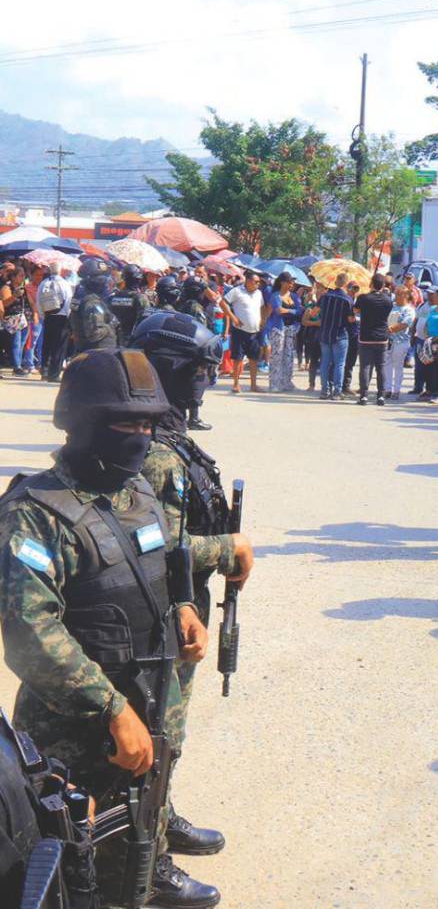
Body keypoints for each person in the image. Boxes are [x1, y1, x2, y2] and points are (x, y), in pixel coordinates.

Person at [0, 349, 220, 907]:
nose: (140, 437)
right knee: (75, 861)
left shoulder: (135, 490)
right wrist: (110, 709)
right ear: (85, 423)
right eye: (127, 423)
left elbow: (166, 556)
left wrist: (185, 607)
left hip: (150, 689)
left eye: (149, 424)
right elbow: (31, 632)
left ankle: (148, 877)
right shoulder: (34, 513)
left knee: (138, 835)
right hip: (74, 725)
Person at [129, 312, 256, 864]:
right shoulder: (151, 449)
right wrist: (231, 549)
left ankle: (160, 815)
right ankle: (146, 858)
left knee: (169, 730)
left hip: (185, 601)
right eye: (198, 369)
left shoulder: (169, 434)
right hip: (157, 612)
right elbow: (151, 547)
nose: (206, 378)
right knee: (154, 731)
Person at [219, 271, 265, 394]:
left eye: (259, 282)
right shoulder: (237, 291)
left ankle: (253, 385)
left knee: (254, 358)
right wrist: (233, 317)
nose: (258, 284)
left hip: (254, 331)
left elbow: (261, 307)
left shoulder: (258, 293)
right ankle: (236, 384)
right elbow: (222, 302)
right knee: (238, 358)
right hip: (240, 330)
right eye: (256, 282)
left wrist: (262, 320)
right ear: (248, 281)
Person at [354, 273, 393, 406]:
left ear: (371, 283)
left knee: (365, 366)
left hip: (366, 337)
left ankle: (364, 396)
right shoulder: (388, 300)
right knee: (380, 367)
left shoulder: (363, 298)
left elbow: (355, 310)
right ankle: (380, 396)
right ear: (383, 285)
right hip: (382, 337)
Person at [69, 256, 119, 353]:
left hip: (86, 352)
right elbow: (94, 334)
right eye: (102, 280)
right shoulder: (92, 302)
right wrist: (110, 324)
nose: (105, 283)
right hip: (99, 356)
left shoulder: (81, 297)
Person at [318, 273, 354, 400]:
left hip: (324, 333)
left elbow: (315, 312)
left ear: (336, 281)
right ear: (346, 283)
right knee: (339, 364)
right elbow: (350, 320)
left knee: (325, 363)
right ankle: (337, 392)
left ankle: (324, 391)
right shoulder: (347, 299)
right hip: (340, 334)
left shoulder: (324, 297)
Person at [266, 272, 301, 394]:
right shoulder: (275, 295)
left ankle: (287, 381)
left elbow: (300, 310)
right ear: (283, 283)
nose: (292, 284)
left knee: (289, 356)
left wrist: (290, 311)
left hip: (291, 328)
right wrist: (293, 311)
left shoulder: (294, 296)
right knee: (277, 356)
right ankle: (274, 383)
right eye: (290, 282)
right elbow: (279, 310)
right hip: (278, 329)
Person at [36, 265, 73, 381]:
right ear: (60, 270)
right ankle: (54, 374)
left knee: (47, 345)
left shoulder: (43, 283)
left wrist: (43, 315)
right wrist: (67, 317)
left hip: (48, 316)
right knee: (59, 346)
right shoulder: (64, 283)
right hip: (61, 317)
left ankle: (45, 371)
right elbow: (68, 301)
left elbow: (39, 300)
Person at [1, 265, 35, 375]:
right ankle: (17, 367)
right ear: (13, 277)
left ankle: (18, 364)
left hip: (25, 319)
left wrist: (35, 315)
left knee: (22, 343)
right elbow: (4, 303)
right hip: (13, 318)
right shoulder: (7, 288)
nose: (22, 278)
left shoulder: (23, 288)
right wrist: (14, 296)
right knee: (16, 342)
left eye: (24, 276)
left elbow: (31, 302)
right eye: (20, 276)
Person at [383, 285, 415, 400]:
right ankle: (387, 389)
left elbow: (405, 324)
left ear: (405, 295)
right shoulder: (392, 306)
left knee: (398, 366)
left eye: (398, 294)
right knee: (387, 364)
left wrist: (390, 329)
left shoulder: (409, 309)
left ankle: (396, 390)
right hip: (389, 340)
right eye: (395, 293)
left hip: (401, 341)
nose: (395, 296)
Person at [108, 265, 153, 344]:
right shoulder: (140, 298)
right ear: (138, 279)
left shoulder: (113, 296)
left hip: (113, 339)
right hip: (131, 341)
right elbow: (146, 321)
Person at [302, 281, 325, 392]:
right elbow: (304, 321)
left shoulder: (328, 307)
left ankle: (325, 385)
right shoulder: (311, 307)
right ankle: (311, 384)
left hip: (325, 336)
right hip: (314, 335)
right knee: (314, 360)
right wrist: (316, 323)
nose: (320, 292)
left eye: (322, 289)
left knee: (326, 361)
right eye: (318, 289)